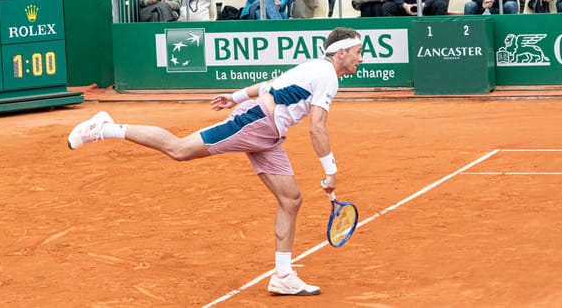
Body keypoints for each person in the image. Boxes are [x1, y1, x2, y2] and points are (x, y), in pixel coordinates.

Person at [66, 26, 365, 297]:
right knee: (179, 149)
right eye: (358, 53)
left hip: (269, 134)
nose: (360, 59)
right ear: (341, 53)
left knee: (290, 199)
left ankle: (283, 276)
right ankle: (105, 128)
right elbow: (317, 127)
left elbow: (271, 84)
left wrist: (234, 97)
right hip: (257, 123)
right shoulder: (327, 76)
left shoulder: (315, 68)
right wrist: (331, 171)